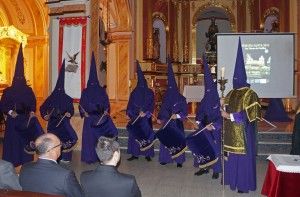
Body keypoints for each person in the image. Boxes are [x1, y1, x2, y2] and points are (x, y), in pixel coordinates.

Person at [221, 38, 262, 193]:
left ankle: (243, 185)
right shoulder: (231, 92)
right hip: (231, 133)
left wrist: (228, 116)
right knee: (232, 158)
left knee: (243, 160)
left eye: (238, 76)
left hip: (244, 134)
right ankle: (232, 180)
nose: (235, 79)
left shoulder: (251, 94)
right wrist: (222, 103)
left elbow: (250, 115)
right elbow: (225, 108)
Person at [1, 44, 44, 167]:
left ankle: (25, 163)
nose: (19, 80)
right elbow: (3, 104)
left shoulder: (28, 91)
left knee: (24, 140)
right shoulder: (8, 91)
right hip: (13, 120)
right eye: (18, 77)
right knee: (13, 142)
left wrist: (31, 111)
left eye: (21, 77)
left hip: (25, 120)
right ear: (15, 78)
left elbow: (32, 103)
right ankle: (12, 163)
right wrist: (9, 112)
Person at [79, 53, 118, 164]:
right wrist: (83, 112)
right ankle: (89, 157)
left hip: (100, 119)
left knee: (99, 138)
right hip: (89, 119)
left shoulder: (101, 91)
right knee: (89, 139)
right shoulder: (86, 91)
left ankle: (101, 157)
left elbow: (106, 104)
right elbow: (81, 104)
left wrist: (106, 111)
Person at [40, 60, 78, 162]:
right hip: (53, 123)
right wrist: (45, 115)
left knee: (66, 139)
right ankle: (53, 157)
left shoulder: (67, 98)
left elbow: (71, 110)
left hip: (64, 123)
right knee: (54, 140)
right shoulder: (51, 98)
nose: (59, 92)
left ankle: (66, 157)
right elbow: (42, 108)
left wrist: (68, 113)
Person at [193, 54, 222, 178]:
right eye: (207, 90)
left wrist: (214, 126)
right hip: (204, 128)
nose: (208, 92)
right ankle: (203, 167)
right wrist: (198, 122)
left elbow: (221, 117)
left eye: (210, 90)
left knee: (214, 148)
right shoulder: (204, 99)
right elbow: (199, 113)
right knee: (203, 147)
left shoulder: (218, 101)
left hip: (213, 129)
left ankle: (216, 170)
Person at [157, 59, 188, 168]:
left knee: (177, 140)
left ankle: (179, 160)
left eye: (172, 88)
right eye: (168, 88)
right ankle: (166, 159)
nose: (170, 90)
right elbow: (162, 110)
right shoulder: (166, 98)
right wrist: (159, 118)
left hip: (177, 125)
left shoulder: (181, 99)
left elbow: (185, 113)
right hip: (166, 123)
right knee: (166, 141)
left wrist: (177, 116)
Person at [126, 60, 155, 162]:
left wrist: (146, 113)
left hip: (145, 119)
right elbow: (130, 104)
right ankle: (135, 154)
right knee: (135, 136)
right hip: (136, 118)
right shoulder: (134, 92)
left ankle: (147, 154)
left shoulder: (150, 93)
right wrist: (131, 114)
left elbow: (152, 105)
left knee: (146, 135)